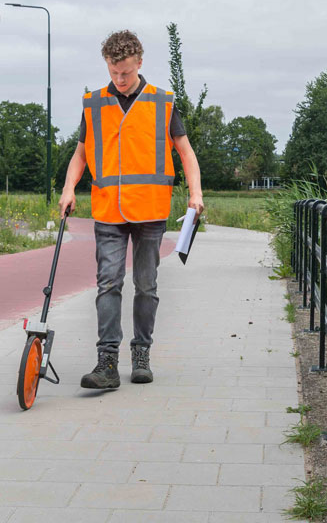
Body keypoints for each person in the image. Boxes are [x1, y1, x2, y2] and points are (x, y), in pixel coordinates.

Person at [58, 30, 205, 389]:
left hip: (150, 210)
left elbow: (185, 151)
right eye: (113, 72)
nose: (119, 79)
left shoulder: (162, 102)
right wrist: (68, 189)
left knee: (146, 285)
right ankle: (106, 363)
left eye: (125, 72)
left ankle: (141, 355)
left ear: (139, 62)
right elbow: (80, 152)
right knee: (108, 283)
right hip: (108, 209)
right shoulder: (93, 104)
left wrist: (195, 193)